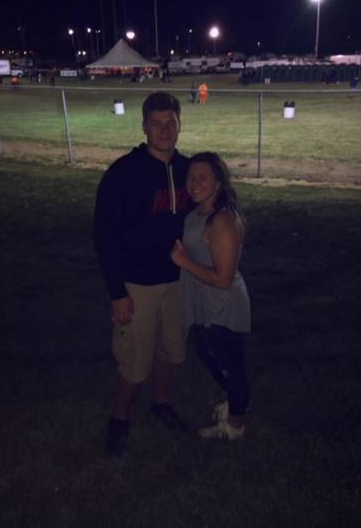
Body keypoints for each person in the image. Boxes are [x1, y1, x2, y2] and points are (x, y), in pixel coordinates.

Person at [94, 91, 192, 456]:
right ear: (144, 127)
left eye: (171, 123)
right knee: (135, 362)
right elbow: (104, 235)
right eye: (157, 124)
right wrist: (117, 292)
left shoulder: (188, 170)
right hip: (137, 284)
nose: (165, 131)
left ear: (180, 124)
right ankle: (119, 420)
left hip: (178, 281)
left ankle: (161, 405)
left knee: (171, 352)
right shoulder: (124, 173)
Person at [170, 152, 251, 441]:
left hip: (222, 304)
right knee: (208, 353)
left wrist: (183, 262)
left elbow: (223, 279)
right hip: (206, 300)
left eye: (203, 177)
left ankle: (235, 425)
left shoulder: (221, 221)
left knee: (229, 365)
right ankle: (233, 401)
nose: (194, 183)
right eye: (191, 177)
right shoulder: (201, 212)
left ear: (218, 183)